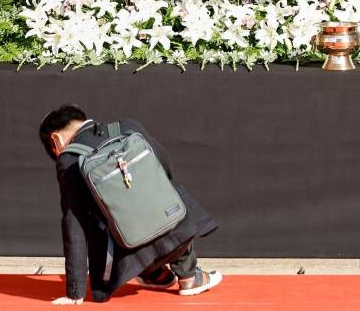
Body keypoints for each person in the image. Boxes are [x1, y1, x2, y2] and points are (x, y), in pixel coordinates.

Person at [38, 105, 222, 304]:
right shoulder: (128, 126)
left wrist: (75, 291)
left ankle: (155, 273)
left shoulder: (68, 160)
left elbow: (74, 225)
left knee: (102, 220)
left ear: (56, 139)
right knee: (168, 192)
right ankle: (189, 277)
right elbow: (164, 165)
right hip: (176, 229)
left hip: (128, 256)